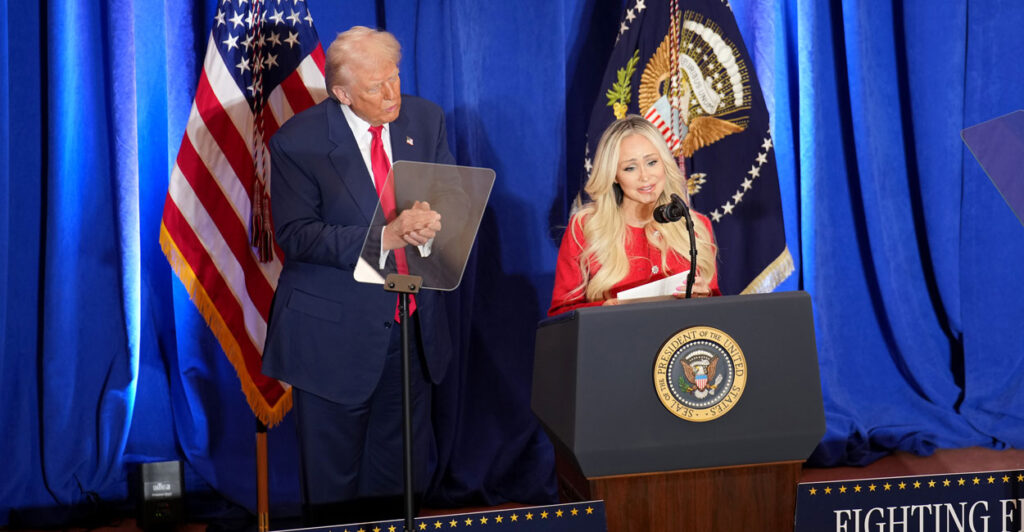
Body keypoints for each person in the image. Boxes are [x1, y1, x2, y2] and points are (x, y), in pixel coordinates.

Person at [261, 26, 458, 525]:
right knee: (335, 492)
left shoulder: (425, 118)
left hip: (410, 330)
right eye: (376, 88)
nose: (392, 95)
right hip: (333, 338)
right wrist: (384, 237)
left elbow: (451, 202)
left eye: (394, 78)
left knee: (399, 483)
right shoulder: (298, 142)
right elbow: (298, 235)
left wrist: (435, 224)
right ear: (342, 93)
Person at [549, 115, 720, 316]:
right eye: (630, 168)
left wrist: (704, 298)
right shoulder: (585, 228)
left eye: (652, 162)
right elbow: (561, 316)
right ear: (613, 175)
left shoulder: (695, 225)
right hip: (614, 342)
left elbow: (715, 312)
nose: (645, 176)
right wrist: (608, 309)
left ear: (664, 163)